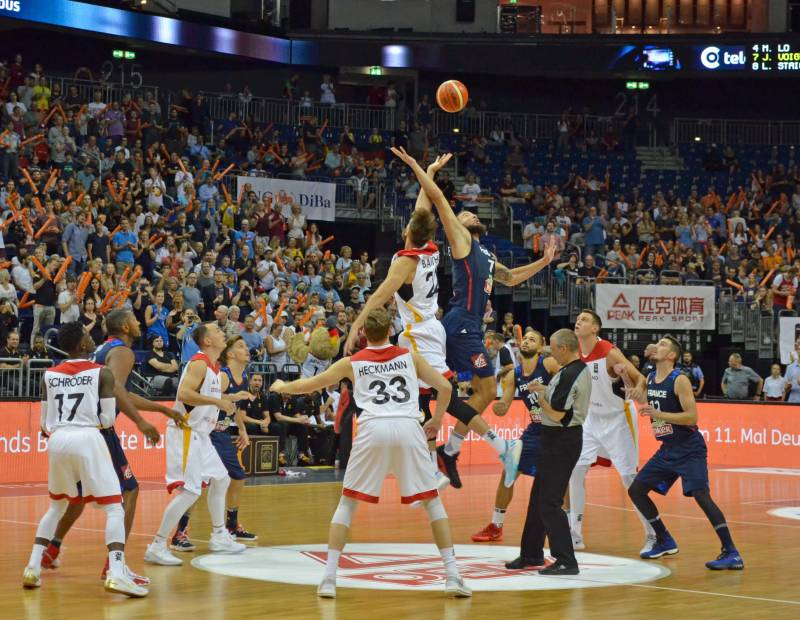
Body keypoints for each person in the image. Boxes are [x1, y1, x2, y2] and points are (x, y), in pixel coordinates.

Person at [270, 308, 471, 599]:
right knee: (432, 503)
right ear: (390, 330)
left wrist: (282, 385)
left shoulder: (352, 362)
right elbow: (444, 386)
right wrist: (437, 419)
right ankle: (452, 576)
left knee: (347, 503)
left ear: (364, 333)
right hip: (408, 426)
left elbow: (311, 384)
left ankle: (328, 579)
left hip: (372, 427)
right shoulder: (409, 356)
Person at [388, 147, 558, 489]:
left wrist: (543, 262)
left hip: (466, 326)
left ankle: (445, 451)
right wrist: (422, 170)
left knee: (450, 389)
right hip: (460, 322)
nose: (466, 214)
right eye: (462, 213)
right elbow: (435, 199)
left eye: (467, 213)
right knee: (482, 388)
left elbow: (510, 278)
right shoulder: (462, 241)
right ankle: (467, 449)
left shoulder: (488, 255)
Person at [40, 310, 182, 584]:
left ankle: (52, 548)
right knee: (130, 490)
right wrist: (141, 422)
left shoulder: (104, 349)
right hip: (98, 431)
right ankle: (115, 564)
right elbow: (116, 389)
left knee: (79, 495)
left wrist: (160, 411)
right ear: (127, 326)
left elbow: (122, 392)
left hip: (74, 429)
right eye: (136, 320)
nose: (140, 323)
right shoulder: (124, 352)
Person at [23, 322, 147, 597]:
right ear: (81, 345)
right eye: (88, 337)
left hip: (57, 440)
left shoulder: (49, 375)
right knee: (115, 507)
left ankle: (32, 567)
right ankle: (116, 573)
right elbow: (105, 419)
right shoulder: (101, 373)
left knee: (56, 506)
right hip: (89, 437)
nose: (93, 340)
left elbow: (44, 424)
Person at [626, 336, 744, 569]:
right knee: (637, 490)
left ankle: (732, 552)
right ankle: (664, 539)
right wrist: (632, 384)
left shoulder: (678, 379)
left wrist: (660, 415)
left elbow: (692, 416)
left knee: (702, 496)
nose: (656, 346)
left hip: (689, 448)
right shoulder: (650, 376)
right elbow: (643, 394)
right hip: (668, 449)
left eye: (662, 345)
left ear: (671, 355)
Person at [144, 323, 246, 566]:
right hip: (186, 432)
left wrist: (229, 398)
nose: (223, 333)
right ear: (208, 341)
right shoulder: (199, 362)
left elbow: (205, 397)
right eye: (218, 332)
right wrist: (218, 402)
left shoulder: (214, 366)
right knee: (190, 492)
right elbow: (185, 395)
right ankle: (157, 545)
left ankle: (220, 535)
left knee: (221, 478)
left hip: (201, 435)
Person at [505, 329, 591, 575]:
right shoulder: (569, 371)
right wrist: (543, 390)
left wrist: (538, 397)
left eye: (552, 348)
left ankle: (566, 560)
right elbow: (558, 399)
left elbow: (556, 414)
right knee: (538, 500)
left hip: (562, 440)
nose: (549, 353)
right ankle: (531, 554)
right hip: (553, 439)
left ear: (564, 348)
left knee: (550, 503)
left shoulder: (570, 373)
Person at [568, 310, 655, 553]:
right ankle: (574, 533)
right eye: (578, 318)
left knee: (629, 478)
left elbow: (641, 379)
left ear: (595, 329)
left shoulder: (608, 352)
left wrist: (636, 388)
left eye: (584, 320)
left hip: (618, 418)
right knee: (575, 470)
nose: (579, 321)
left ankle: (653, 533)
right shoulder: (575, 352)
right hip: (591, 418)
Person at [169, 336, 257, 550]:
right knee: (201, 483)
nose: (247, 349)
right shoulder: (223, 375)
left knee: (231, 477)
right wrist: (227, 399)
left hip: (221, 432)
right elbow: (218, 399)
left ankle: (227, 526)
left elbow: (232, 408)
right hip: (208, 432)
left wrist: (242, 430)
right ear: (231, 354)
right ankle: (182, 531)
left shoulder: (243, 376)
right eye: (241, 346)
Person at [472, 330, 560, 542]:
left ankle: (568, 528)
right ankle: (496, 525)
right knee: (508, 472)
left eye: (533, 339)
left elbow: (568, 387)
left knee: (558, 482)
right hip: (535, 430)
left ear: (541, 347)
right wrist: (499, 406)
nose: (528, 341)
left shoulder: (548, 364)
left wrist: (545, 389)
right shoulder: (514, 374)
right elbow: (505, 405)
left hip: (557, 429)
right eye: (526, 338)